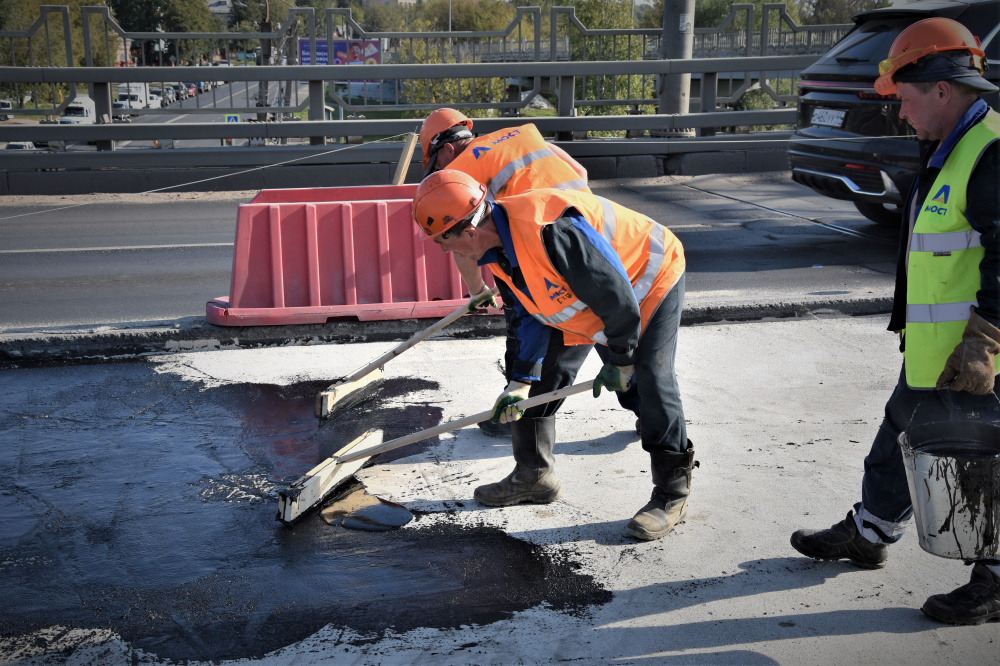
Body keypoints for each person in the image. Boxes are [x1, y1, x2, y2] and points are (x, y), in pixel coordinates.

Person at [789, 17, 1000, 625]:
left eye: (905, 100)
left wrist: (985, 339)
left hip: (979, 353)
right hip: (941, 349)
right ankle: (872, 532)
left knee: (982, 465)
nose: (901, 113)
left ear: (941, 89)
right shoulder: (948, 143)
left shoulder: (989, 152)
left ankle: (994, 579)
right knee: (899, 435)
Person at [411, 169, 694, 541]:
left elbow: (615, 298)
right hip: (589, 294)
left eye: (442, 241)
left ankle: (671, 494)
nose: (444, 250)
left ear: (468, 231)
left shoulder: (550, 230)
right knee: (542, 378)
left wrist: (622, 359)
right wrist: (520, 381)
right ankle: (533, 476)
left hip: (647, 279)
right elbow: (528, 314)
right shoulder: (495, 248)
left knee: (652, 379)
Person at [419, 109, 641, 436]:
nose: (439, 170)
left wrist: (478, 290)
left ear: (447, 149)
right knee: (599, 323)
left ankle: (518, 414)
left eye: (435, 162)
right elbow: (579, 170)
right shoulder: (521, 135)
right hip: (593, 237)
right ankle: (648, 410)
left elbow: (463, 242)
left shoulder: (457, 175)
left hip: (535, 253)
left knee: (527, 329)